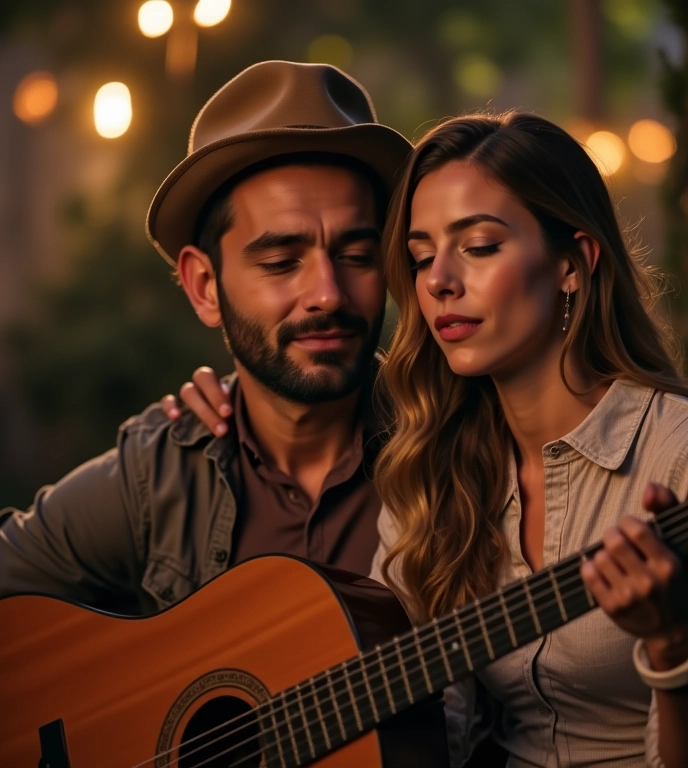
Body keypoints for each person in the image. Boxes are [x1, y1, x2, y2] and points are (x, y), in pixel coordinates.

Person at [173, 111, 688, 768]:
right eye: (422, 256)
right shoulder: (431, 457)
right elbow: (433, 728)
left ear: (573, 263)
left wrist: (674, 642)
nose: (438, 281)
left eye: (479, 247)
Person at [0, 60, 413, 614]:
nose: (329, 294)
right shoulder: (158, 477)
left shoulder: (456, 449)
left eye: (357, 256)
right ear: (204, 286)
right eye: (281, 261)